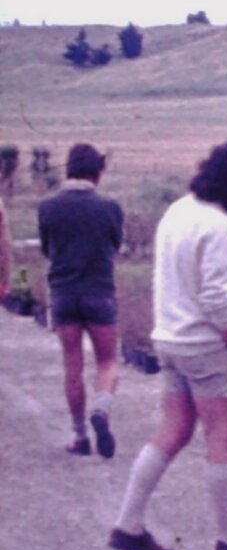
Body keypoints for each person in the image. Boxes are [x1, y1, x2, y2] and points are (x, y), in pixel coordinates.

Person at [108, 138, 227, 550]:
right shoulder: (218, 226)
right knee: (220, 435)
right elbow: (218, 296)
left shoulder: (178, 211)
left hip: (170, 338)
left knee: (174, 430)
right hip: (206, 344)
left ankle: (128, 524)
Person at [36, 143, 125, 457]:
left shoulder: (47, 206)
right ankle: (101, 409)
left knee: (72, 366)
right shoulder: (110, 206)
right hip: (99, 293)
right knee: (108, 361)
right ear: (97, 172)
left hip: (63, 294)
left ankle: (79, 437)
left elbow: (47, 249)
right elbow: (115, 246)